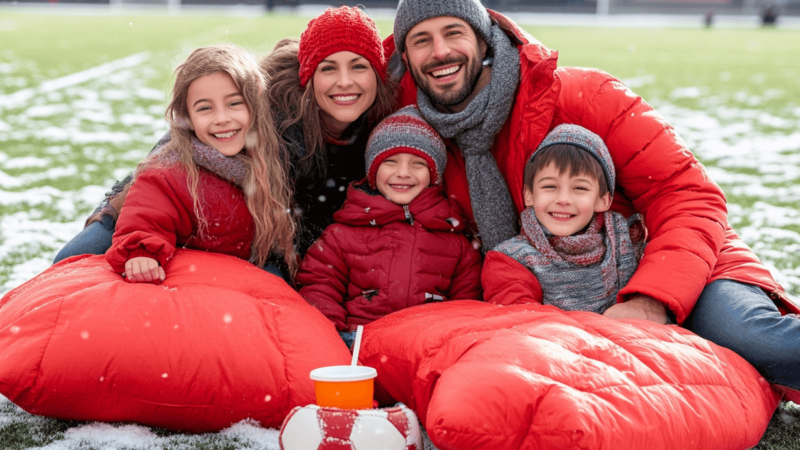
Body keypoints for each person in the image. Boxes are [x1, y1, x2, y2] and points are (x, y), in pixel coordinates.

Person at [387, 0, 800, 398]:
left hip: (677, 265)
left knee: (750, 338)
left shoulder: (584, 96)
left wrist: (651, 300)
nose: (439, 52)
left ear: (483, 39)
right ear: (405, 55)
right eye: (421, 39)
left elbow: (686, 194)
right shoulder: (408, 138)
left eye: (453, 32)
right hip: (550, 299)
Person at [54, 6, 395, 266]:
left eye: (359, 66)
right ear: (308, 76)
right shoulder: (270, 104)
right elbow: (182, 140)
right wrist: (114, 210)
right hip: (190, 203)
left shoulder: (381, 127)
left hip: (268, 236)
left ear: (377, 75)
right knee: (72, 260)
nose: (345, 82)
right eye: (328, 68)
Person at [105, 44, 296, 282]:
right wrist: (143, 253)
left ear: (255, 105)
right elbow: (147, 215)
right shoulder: (169, 171)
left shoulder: (269, 157)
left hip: (248, 274)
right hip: (197, 279)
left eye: (234, 103)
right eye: (205, 108)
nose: (222, 119)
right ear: (188, 118)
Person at [295, 105, 482, 348]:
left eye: (418, 164)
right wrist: (332, 338)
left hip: (426, 347)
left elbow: (467, 307)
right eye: (391, 161)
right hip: (357, 345)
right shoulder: (342, 234)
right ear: (373, 170)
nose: (403, 173)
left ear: (434, 173)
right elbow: (319, 286)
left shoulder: (456, 242)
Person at [483, 124, 645, 312]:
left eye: (580, 188)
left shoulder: (627, 242)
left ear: (602, 200)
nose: (563, 200)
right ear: (529, 195)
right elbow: (521, 322)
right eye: (550, 187)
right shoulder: (510, 260)